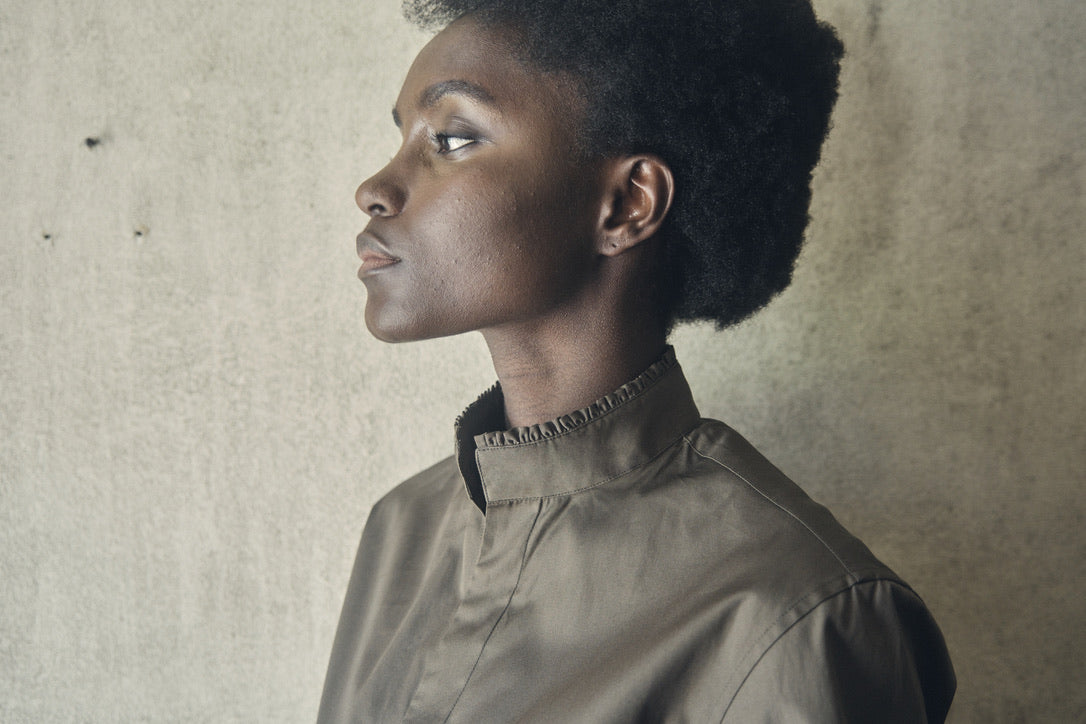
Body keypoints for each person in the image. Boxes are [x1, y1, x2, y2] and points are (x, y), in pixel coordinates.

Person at [319, 0, 956, 721]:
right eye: (401, 136)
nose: (374, 188)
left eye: (454, 139)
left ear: (626, 204)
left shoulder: (799, 614)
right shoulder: (402, 531)